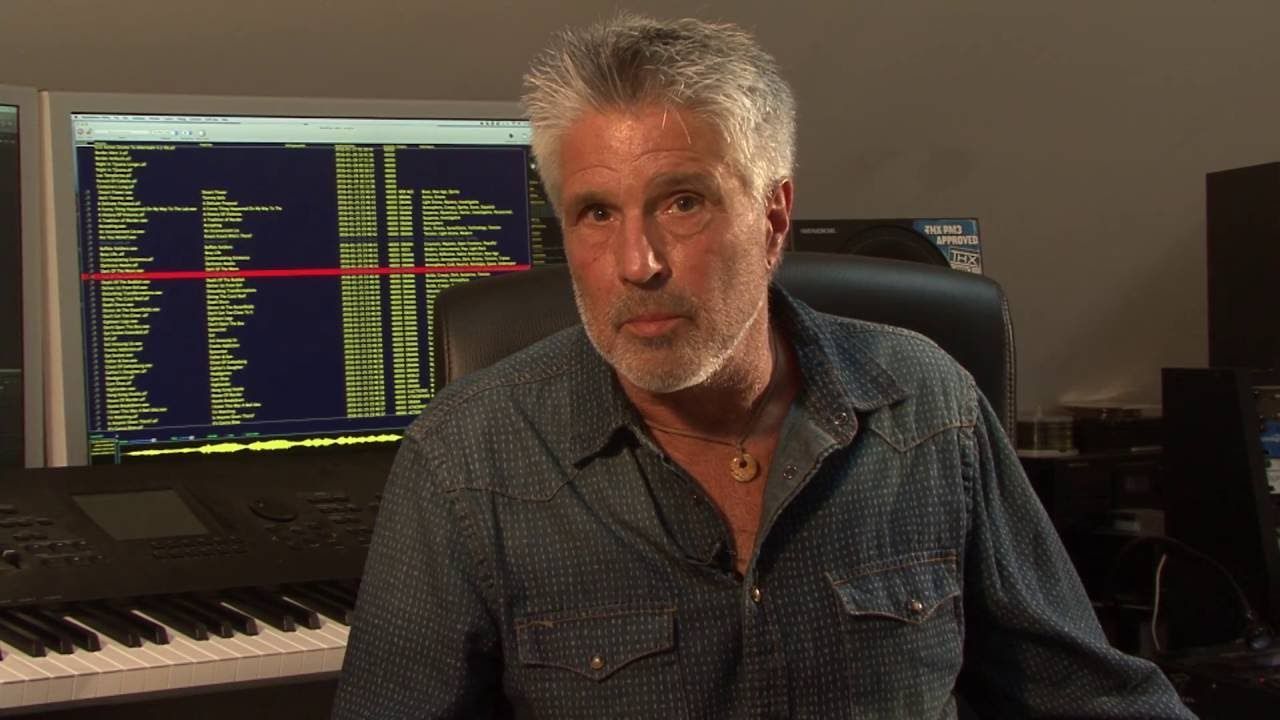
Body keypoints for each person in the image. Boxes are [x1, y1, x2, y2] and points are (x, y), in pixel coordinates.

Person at [333, 14, 1194, 719]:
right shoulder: (469, 457)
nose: (637, 263)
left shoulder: (930, 408)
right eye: (596, 213)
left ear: (775, 216)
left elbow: (1088, 696)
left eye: (683, 201)